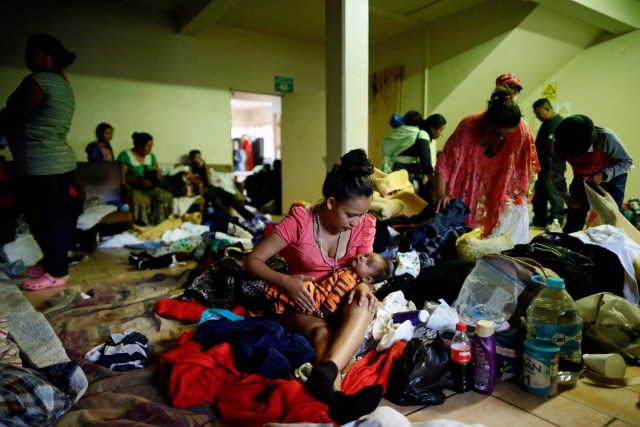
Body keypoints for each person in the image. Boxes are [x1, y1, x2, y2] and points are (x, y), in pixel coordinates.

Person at [244, 148, 384, 424]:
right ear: (331, 203)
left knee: (363, 304)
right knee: (322, 334)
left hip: (341, 297)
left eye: (363, 214)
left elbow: (367, 265)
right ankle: (335, 396)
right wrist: (286, 281)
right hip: (304, 302)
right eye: (351, 215)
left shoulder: (364, 224)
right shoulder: (300, 221)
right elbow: (252, 261)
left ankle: (325, 374)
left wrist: (365, 288)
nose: (357, 222)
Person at [0, 33, 77, 290]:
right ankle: (51, 264)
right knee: (48, 218)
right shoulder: (63, 83)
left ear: (51, 57)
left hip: (42, 164)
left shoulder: (41, 81)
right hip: (53, 163)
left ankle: (57, 272)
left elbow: (12, 116)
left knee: (46, 220)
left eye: (32, 52)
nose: (26, 57)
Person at [432, 88, 539, 236]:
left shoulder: (521, 132)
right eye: (496, 133)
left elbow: (526, 171)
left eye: (507, 135)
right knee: (462, 228)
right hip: (468, 182)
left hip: (500, 180)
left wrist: (523, 195)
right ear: (487, 124)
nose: (501, 138)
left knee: (498, 229)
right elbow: (445, 163)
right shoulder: (469, 127)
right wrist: (441, 193)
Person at [550, 114, 633, 233]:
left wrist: (603, 174)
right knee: (575, 216)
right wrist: (568, 198)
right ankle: (571, 246)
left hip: (612, 176)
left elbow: (627, 162)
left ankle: (608, 246)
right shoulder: (560, 145)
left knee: (610, 219)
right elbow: (556, 173)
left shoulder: (606, 137)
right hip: (582, 177)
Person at [265, 252, 388, 318]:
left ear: (367, 278)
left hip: (318, 300)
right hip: (318, 294)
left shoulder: (349, 278)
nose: (362, 257)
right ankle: (278, 306)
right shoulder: (349, 272)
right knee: (296, 290)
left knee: (302, 285)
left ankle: (268, 289)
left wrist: (326, 310)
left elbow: (337, 294)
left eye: (367, 263)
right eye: (365, 255)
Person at [380, 111, 445, 199]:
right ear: (432, 128)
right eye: (440, 130)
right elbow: (426, 164)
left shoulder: (403, 132)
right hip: (404, 172)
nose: (441, 133)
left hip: (393, 169)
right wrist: (435, 183)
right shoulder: (422, 135)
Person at [116, 132, 173, 226]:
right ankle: (141, 226)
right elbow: (119, 178)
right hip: (132, 188)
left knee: (165, 196)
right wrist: (138, 180)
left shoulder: (151, 157)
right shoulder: (125, 156)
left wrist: (158, 177)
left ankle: (161, 225)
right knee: (140, 199)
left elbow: (157, 172)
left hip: (149, 188)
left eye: (151, 146)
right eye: (148, 146)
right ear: (139, 145)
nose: (150, 149)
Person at [187, 149, 255, 220]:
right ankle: (227, 219)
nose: (198, 159)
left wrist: (206, 168)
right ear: (191, 159)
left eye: (199, 157)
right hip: (200, 191)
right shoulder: (189, 168)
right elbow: (191, 182)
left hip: (210, 187)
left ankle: (251, 218)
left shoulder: (203, 167)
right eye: (196, 157)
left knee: (230, 196)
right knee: (216, 199)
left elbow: (209, 182)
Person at [531, 99, 565, 229]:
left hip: (553, 167)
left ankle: (556, 220)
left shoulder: (559, 124)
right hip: (541, 167)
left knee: (554, 194)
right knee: (539, 195)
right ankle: (540, 220)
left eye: (538, 113)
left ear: (547, 110)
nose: (537, 116)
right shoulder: (546, 123)